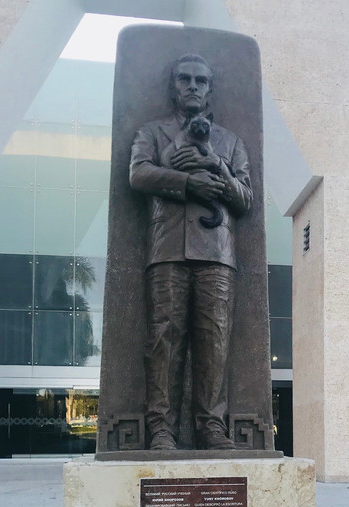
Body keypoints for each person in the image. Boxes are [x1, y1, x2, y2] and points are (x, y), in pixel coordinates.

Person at [130, 53, 252, 450]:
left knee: (214, 340)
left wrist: (215, 166)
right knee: (164, 339)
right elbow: (139, 174)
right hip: (167, 249)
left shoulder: (231, 143)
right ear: (173, 86)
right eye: (185, 79)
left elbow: (246, 198)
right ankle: (161, 428)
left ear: (210, 89)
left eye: (201, 80)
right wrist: (186, 183)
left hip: (217, 252)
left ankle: (211, 427)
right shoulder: (152, 132)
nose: (193, 86)